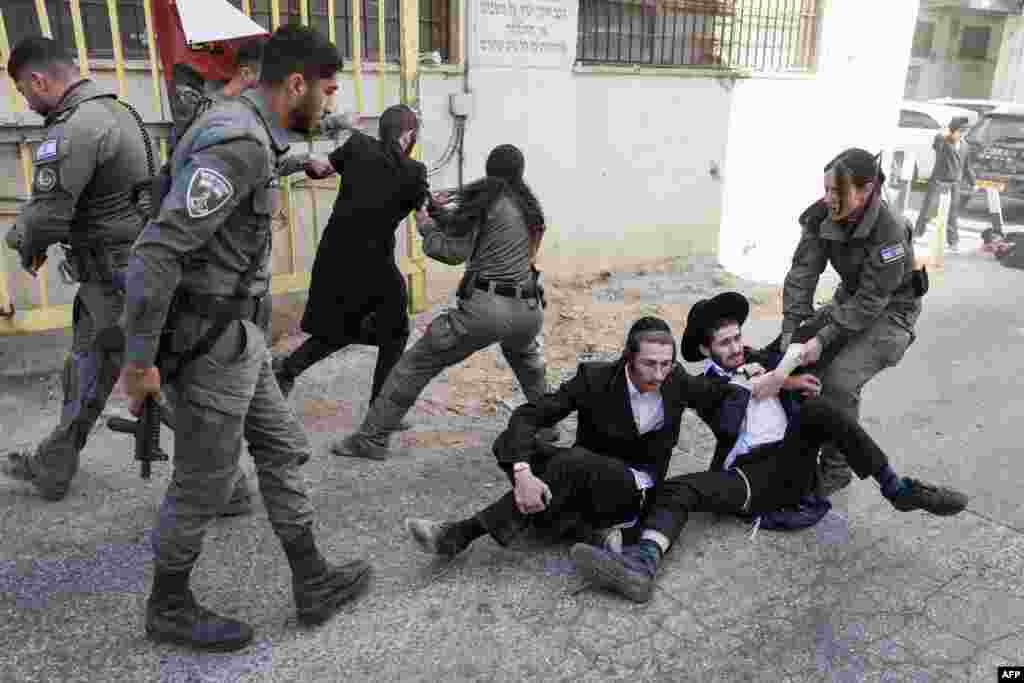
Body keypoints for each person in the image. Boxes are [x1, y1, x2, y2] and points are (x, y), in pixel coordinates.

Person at [119, 25, 372, 651]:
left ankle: (312, 579)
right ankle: (168, 604)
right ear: (295, 84)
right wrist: (140, 362)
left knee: (282, 448)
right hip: (210, 343)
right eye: (329, 90)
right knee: (204, 482)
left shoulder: (250, 131)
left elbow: (239, 182)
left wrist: (297, 161)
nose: (331, 103)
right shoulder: (238, 142)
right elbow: (156, 252)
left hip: (239, 337)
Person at [566, 301, 967, 604]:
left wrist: (786, 372)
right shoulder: (705, 385)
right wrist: (771, 382)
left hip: (792, 462)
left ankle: (898, 489)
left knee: (820, 410)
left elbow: (805, 352)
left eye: (738, 337)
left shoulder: (765, 360)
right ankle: (642, 564)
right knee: (677, 489)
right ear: (707, 351)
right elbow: (726, 421)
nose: (737, 347)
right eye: (725, 343)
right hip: (749, 477)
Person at [404, 317, 741, 596]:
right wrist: (523, 473)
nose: (658, 374)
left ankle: (462, 534)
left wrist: (763, 372)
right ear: (628, 358)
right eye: (649, 364)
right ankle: (583, 530)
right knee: (511, 443)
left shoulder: (676, 379)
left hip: (632, 489)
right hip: (583, 478)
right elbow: (529, 416)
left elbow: (716, 391)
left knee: (570, 462)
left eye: (666, 365)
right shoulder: (593, 379)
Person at [0, 37, 153, 502]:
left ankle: (225, 482)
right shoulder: (119, 111)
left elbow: (48, 214)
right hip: (128, 272)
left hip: (115, 279)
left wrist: (19, 241)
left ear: (38, 79)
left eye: (24, 92)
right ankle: (54, 465)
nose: (26, 103)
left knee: (168, 379)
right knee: (88, 373)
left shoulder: (75, 126)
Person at [332, 144, 554, 460]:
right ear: (520, 172)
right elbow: (482, 231)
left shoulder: (487, 202)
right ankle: (547, 428)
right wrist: (440, 212)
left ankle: (372, 439)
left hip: (486, 311)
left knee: (415, 365)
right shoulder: (530, 208)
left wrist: (426, 226)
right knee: (530, 368)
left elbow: (452, 252)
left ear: (489, 170)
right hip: (528, 311)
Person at [780, 148, 923, 497]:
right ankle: (789, 451)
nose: (829, 198)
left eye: (838, 192)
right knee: (786, 361)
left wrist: (823, 339)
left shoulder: (890, 232)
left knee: (839, 382)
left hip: (892, 312)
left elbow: (873, 301)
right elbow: (802, 275)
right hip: (850, 302)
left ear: (867, 189)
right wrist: (793, 329)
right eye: (826, 189)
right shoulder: (820, 217)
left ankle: (837, 468)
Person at [272, 105, 428, 409]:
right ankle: (379, 410)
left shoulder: (358, 145)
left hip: (335, 254)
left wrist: (301, 160)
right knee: (396, 333)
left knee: (343, 327)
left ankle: (288, 369)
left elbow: (319, 170)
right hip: (375, 264)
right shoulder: (414, 172)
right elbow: (424, 219)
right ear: (408, 135)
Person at [913, 115, 975, 251]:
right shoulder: (943, 141)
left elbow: (967, 167)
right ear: (954, 130)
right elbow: (937, 144)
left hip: (955, 183)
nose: (963, 134)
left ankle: (953, 241)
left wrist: (973, 182)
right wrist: (945, 134)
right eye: (961, 130)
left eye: (965, 131)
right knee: (928, 209)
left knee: (953, 213)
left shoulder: (965, 146)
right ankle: (916, 234)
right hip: (939, 180)